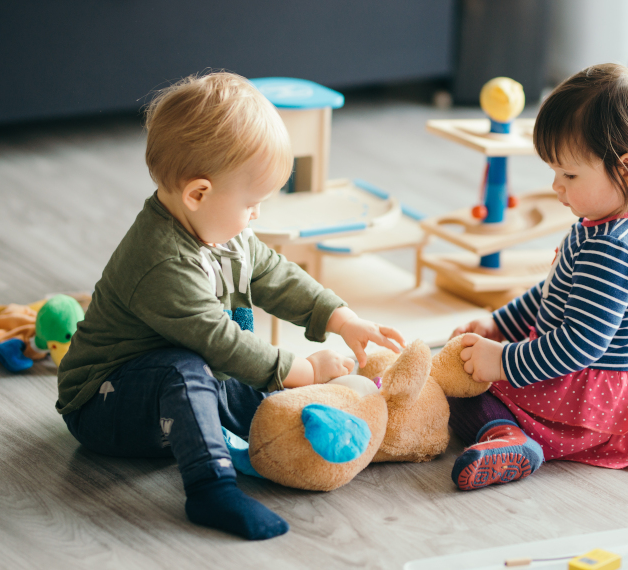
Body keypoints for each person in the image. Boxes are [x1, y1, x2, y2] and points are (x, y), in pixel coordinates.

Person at [55, 72, 405, 539]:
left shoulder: (226, 231)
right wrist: (303, 370)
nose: (257, 215)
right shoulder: (160, 260)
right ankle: (211, 488)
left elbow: (275, 275)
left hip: (183, 383)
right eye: (251, 203)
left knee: (252, 395)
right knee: (189, 369)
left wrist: (342, 318)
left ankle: (323, 436)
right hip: (103, 405)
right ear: (198, 194)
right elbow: (218, 343)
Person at [447, 63, 628, 491]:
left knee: (462, 392)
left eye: (570, 175)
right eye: (555, 172)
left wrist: (502, 361)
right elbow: (556, 289)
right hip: (622, 391)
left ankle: (510, 437)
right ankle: (514, 430)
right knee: (473, 368)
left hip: (590, 400)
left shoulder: (612, 246)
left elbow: (579, 344)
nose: (557, 187)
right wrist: (500, 323)